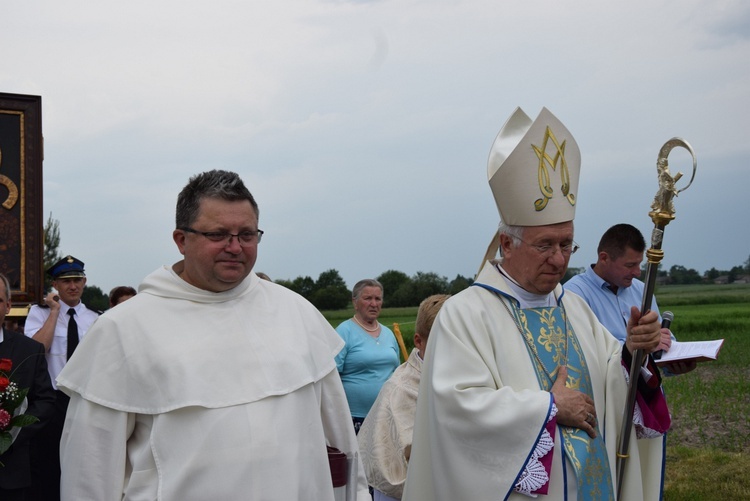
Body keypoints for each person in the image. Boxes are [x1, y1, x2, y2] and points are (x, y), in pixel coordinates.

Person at [402, 107, 670, 500]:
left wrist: (632, 352)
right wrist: (545, 408)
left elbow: (614, 382)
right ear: (506, 243)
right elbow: (456, 412)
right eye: (545, 245)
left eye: (566, 244)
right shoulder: (464, 316)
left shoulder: (574, 308)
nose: (560, 259)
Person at [57, 169, 369, 500]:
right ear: (181, 240)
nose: (235, 247)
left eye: (247, 235)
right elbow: (88, 472)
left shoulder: (296, 312)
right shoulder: (122, 329)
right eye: (218, 234)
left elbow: (341, 442)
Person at [564, 223, 697, 375]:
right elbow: (584, 352)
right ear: (604, 258)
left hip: (646, 392)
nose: (637, 272)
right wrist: (640, 344)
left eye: (639, 264)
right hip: (605, 393)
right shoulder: (574, 293)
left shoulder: (642, 290)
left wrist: (673, 362)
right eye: (630, 265)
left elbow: (662, 342)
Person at [357, 294, 449, 501]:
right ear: (419, 341)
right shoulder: (399, 391)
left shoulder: (474, 375)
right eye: (443, 340)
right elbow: (389, 472)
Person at [24, 255, 100, 501]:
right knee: (47, 462)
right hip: (52, 399)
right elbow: (36, 351)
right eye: (66, 281)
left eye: (77, 280)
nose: (73, 286)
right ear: (55, 285)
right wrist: (55, 311)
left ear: (85, 281)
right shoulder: (39, 313)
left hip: (84, 398)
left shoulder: (96, 318)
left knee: (83, 460)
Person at [0, 273, 56, 501]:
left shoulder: (29, 350)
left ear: (8, 306)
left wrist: (12, 432)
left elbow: (45, 401)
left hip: (11, 470)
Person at [335, 279, 400, 433]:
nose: (374, 303)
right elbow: (332, 376)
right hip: (354, 418)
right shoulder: (344, 332)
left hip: (388, 415)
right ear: (355, 302)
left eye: (378, 299)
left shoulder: (388, 333)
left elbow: (398, 372)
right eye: (368, 298)